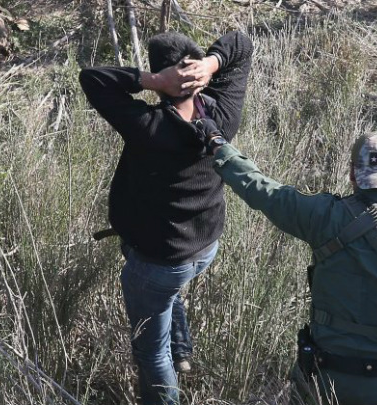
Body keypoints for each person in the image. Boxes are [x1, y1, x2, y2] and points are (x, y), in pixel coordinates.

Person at [193, 123, 377, 405]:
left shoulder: (321, 216)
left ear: (352, 173)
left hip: (322, 382)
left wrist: (219, 146)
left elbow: (262, 190)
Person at [79, 31, 253, 405]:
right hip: (203, 247)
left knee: (151, 354)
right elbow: (240, 43)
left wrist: (150, 79)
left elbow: (91, 77)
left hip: (157, 260)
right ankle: (183, 352)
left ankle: (169, 378)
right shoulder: (223, 113)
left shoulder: (148, 126)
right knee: (168, 293)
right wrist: (212, 63)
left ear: (163, 82)